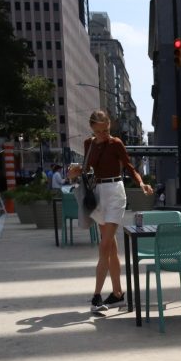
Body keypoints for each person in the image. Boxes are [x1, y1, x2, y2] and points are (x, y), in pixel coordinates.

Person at [75, 109, 152, 314]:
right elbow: (87, 169)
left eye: (106, 130)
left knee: (104, 245)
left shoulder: (116, 143)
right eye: (99, 131)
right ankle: (118, 294)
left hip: (115, 192)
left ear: (109, 126)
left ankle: (96, 296)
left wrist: (141, 183)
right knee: (110, 249)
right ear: (92, 128)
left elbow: (128, 165)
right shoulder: (88, 144)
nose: (103, 134)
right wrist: (75, 171)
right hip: (98, 193)